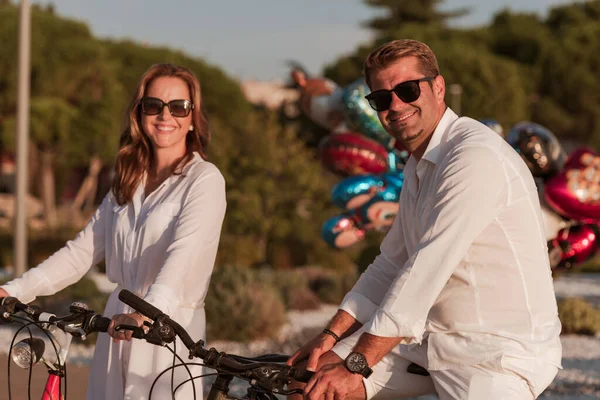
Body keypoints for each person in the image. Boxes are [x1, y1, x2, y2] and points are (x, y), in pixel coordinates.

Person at [287, 39, 562, 400]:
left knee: (339, 378)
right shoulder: (420, 163)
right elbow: (390, 263)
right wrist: (330, 336)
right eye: (382, 99)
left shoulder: (472, 157)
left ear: (438, 87)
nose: (396, 105)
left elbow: (423, 274)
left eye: (407, 89)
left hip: (495, 352)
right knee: (307, 380)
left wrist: (356, 364)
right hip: (430, 340)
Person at [0, 63, 226, 399]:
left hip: (168, 331)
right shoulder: (126, 180)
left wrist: (145, 315)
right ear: (140, 112)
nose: (165, 116)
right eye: (154, 105)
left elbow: (183, 257)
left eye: (178, 106)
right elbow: (81, 252)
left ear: (193, 118)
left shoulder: (204, 180)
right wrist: (14, 290)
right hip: (116, 324)